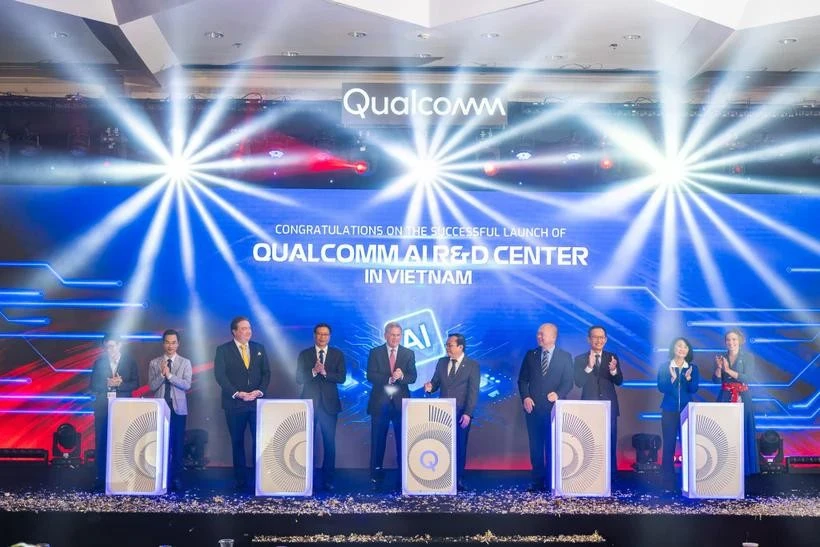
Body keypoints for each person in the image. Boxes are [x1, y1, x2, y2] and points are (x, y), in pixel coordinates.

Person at [214, 316, 271, 490]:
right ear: (234, 331)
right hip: (234, 404)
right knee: (237, 442)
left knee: (258, 441)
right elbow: (220, 376)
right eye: (244, 328)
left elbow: (266, 373)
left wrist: (259, 391)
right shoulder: (223, 350)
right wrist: (237, 393)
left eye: (249, 328)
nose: (248, 331)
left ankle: (259, 478)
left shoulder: (259, 348)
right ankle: (241, 480)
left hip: (256, 403)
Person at [517, 323, 574, 492]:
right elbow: (522, 380)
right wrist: (526, 397)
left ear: (553, 337)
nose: (539, 337)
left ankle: (552, 480)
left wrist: (558, 394)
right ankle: (537, 481)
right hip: (533, 409)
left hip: (554, 409)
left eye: (542, 334)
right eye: (538, 334)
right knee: (535, 447)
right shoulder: (531, 355)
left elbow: (568, 382)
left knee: (553, 446)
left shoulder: (565, 356)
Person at [424, 333, 480, 491]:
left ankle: (458, 479)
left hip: (461, 413)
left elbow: (473, 392)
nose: (447, 348)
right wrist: (430, 387)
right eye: (446, 345)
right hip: (442, 413)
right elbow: (435, 383)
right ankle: (442, 477)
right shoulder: (442, 362)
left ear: (460, 347)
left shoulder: (472, 365)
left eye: (450, 345)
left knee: (460, 446)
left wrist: (468, 413)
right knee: (442, 445)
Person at [296, 322, 347, 492]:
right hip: (309, 405)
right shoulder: (305, 354)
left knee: (329, 443)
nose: (322, 337)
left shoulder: (337, 354)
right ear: (314, 335)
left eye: (325, 334)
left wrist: (325, 372)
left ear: (329, 337)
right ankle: (305, 478)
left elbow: (342, 378)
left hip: (329, 406)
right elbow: (298, 378)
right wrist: (313, 371)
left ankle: (328, 480)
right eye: (319, 334)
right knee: (306, 443)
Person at [366, 321, 417, 490]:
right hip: (379, 404)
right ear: (385, 335)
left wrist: (401, 377)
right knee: (377, 443)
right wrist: (389, 378)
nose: (395, 338)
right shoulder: (375, 352)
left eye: (398, 335)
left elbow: (413, 377)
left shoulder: (408, 353)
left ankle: (403, 478)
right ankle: (375, 478)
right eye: (392, 335)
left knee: (403, 442)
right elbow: (370, 375)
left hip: (400, 406)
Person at [89, 333, 139, 490]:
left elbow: (136, 383)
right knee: (101, 442)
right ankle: (101, 478)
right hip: (103, 407)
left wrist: (120, 385)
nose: (109, 350)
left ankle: (123, 477)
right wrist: (108, 384)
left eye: (111, 346)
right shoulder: (99, 363)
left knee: (123, 442)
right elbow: (93, 385)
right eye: (106, 347)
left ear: (119, 345)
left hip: (123, 407)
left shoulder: (130, 361)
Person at [574, 325, 623, 477]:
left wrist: (613, 370)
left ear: (606, 340)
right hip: (589, 407)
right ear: (589, 339)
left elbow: (619, 381)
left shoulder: (612, 357)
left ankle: (611, 476)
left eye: (601, 337)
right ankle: (590, 475)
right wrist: (589, 367)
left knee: (610, 441)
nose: (599, 340)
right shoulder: (580, 359)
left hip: (609, 407)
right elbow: (578, 382)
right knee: (589, 442)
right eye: (595, 337)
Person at [148, 329, 192, 492]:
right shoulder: (154, 363)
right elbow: (152, 386)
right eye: (167, 342)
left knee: (177, 444)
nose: (170, 346)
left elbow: (187, 385)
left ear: (178, 344)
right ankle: (160, 476)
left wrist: (170, 376)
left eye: (173, 343)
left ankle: (176, 477)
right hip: (161, 408)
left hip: (178, 409)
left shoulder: (185, 362)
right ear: (163, 343)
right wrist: (162, 374)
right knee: (160, 443)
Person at [713, 328, 759, 475]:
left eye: (734, 339)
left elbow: (748, 378)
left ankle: (745, 469)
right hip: (725, 396)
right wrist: (719, 368)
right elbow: (716, 380)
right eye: (728, 340)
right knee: (724, 432)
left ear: (740, 340)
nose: (731, 342)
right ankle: (724, 468)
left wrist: (728, 370)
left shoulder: (748, 357)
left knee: (743, 431)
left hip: (742, 397)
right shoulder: (722, 357)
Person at [656, 337, 700, 490]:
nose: (682, 349)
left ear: (688, 350)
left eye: (685, 347)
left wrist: (688, 378)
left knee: (687, 445)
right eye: (679, 346)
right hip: (669, 409)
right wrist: (673, 379)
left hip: (687, 410)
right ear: (673, 348)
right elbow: (662, 388)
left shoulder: (692, 368)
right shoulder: (665, 367)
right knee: (669, 445)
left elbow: (694, 389)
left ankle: (687, 479)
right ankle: (667, 480)